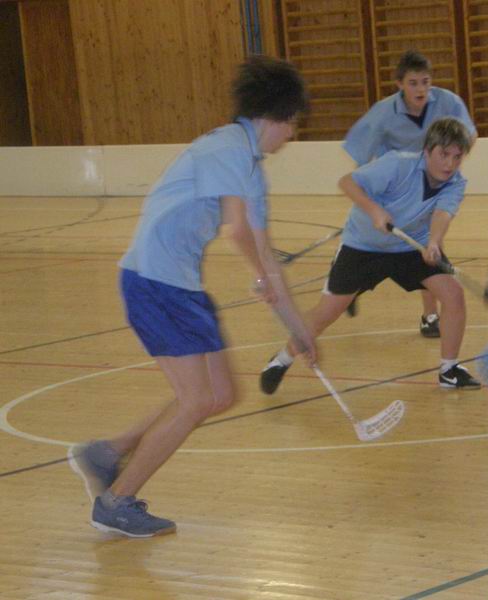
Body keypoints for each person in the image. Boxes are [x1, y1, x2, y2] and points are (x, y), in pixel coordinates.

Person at [67, 56, 317, 538]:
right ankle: (115, 503)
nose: (292, 135)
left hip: (180, 284)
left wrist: (297, 329)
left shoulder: (249, 166)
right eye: (292, 124)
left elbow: (264, 251)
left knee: (220, 395)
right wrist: (260, 274)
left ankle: (106, 453)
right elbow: (237, 231)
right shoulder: (227, 150)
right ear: (275, 117)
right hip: (154, 282)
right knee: (197, 399)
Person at [261, 117, 481, 394]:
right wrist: (374, 209)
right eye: (444, 154)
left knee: (453, 295)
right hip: (362, 247)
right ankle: (281, 359)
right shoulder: (397, 164)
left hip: (408, 247)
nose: (449, 164)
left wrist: (435, 242)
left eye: (457, 157)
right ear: (427, 151)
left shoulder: (455, 183)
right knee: (326, 313)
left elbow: (442, 213)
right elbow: (347, 183)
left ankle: (449, 370)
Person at [342, 50, 477, 339]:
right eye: (413, 83)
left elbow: (468, 137)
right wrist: (367, 201)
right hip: (396, 187)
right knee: (375, 251)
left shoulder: (448, 102)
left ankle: (430, 316)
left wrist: (447, 164)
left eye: (426, 82)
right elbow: (361, 158)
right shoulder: (382, 112)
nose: (421, 89)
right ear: (399, 84)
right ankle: (348, 287)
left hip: (431, 184)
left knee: (429, 246)